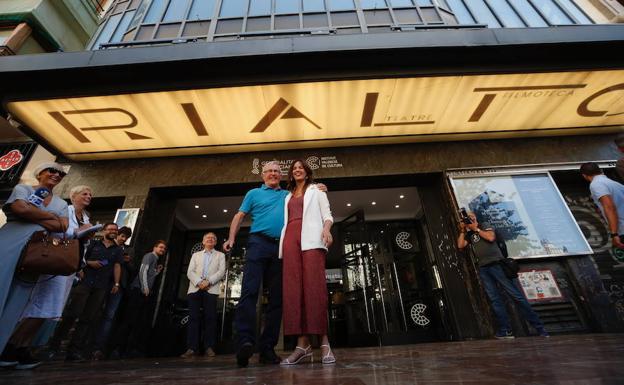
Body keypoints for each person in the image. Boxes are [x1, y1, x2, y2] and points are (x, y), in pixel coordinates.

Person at [9, 186, 94, 366]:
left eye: (90, 194)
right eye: (84, 194)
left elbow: (81, 243)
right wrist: (79, 232)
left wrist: (81, 263)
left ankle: (23, 346)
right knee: (42, 306)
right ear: (74, 196)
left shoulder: (86, 217)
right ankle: (14, 346)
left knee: (51, 309)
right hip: (56, 262)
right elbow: (59, 231)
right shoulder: (66, 211)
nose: (88, 196)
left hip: (70, 265)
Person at [0, 162, 69, 369]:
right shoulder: (23, 189)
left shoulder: (61, 203)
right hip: (9, 243)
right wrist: (50, 217)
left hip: (36, 253)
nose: (56, 175)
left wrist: (33, 213)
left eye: (60, 173)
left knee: (18, 299)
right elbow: (19, 207)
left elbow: (63, 225)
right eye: (51, 170)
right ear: (40, 173)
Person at [457, 211, 549, 339]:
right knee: (495, 299)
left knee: (515, 295)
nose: (469, 219)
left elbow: (490, 238)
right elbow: (460, 245)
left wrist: (476, 228)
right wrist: (463, 230)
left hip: (497, 265)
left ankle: (539, 328)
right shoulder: (469, 234)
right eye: (466, 218)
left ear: (475, 217)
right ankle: (505, 330)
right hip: (484, 268)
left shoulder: (484, 225)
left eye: (470, 217)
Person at [279, 160, 335, 365]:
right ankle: (302, 346)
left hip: (312, 239)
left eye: (300, 167)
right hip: (290, 241)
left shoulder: (317, 190)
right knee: (294, 292)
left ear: (307, 171)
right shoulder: (287, 197)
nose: (297, 170)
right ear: (291, 175)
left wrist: (326, 229)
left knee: (314, 289)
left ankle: (324, 343)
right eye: (294, 168)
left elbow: (327, 216)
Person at [48, 222, 123, 362]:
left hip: (101, 286)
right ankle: (53, 347)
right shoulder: (93, 244)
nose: (114, 231)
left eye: (116, 230)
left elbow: (117, 266)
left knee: (87, 318)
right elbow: (80, 258)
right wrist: (88, 264)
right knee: (72, 314)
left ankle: (74, 351)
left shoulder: (118, 250)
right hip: (85, 283)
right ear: (104, 231)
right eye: (111, 229)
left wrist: (117, 283)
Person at [111, 240, 166, 358]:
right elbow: (142, 271)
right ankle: (117, 349)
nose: (162, 250)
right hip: (138, 291)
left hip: (142, 292)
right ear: (154, 247)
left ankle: (126, 349)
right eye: (160, 247)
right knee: (129, 319)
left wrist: (157, 271)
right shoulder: (150, 256)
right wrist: (145, 288)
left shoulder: (155, 259)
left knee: (136, 320)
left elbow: (149, 274)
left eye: (164, 248)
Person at [92, 226, 135, 360]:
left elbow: (132, 270)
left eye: (126, 237)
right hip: (102, 281)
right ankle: (86, 345)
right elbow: (99, 261)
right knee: (93, 312)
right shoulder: (105, 245)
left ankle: (99, 348)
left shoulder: (128, 250)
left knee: (109, 316)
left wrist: (126, 262)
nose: (123, 239)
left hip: (118, 286)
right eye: (122, 236)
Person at [180, 232, 226, 358]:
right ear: (203, 241)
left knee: (210, 319)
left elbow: (221, 271)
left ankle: (209, 347)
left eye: (213, 238)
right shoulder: (195, 255)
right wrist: (200, 282)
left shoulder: (220, 255)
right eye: (207, 238)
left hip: (211, 289)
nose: (210, 239)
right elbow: (190, 272)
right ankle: (191, 348)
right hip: (195, 289)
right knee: (193, 318)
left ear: (215, 242)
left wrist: (208, 281)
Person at [580, 162, 624, 262]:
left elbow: (609, 207)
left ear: (584, 176)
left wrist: (614, 234)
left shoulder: (596, 185)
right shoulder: (616, 184)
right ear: (600, 171)